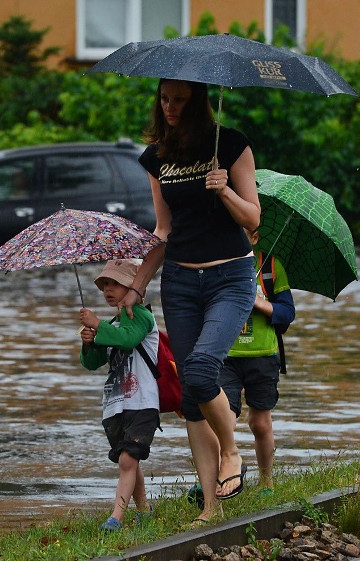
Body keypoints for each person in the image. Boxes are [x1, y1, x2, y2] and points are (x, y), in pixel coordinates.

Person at [118, 78, 261, 526]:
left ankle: (232, 452)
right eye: (164, 99)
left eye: (179, 100)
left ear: (198, 101)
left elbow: (253, 217)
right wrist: (137, 286)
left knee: (201, 370)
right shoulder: (157, 157)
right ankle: (209, 509)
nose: (170, 106)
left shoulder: (232, 145)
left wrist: (223, 189)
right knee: (191, 401)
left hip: (230, 278)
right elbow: (163, 230)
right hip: (180, 282)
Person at [189, 245, 295, 509]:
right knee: (222, 417)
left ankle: (266, 482)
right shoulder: (216, 261)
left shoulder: (270, 266)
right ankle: (214, 477)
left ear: (255, 235)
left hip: (263, 356)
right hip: (226, 354)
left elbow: (287, 313)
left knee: (260, 423)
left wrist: (259, 302)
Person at [79, 258, 160, 532]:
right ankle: (145, 510)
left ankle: (116, 517)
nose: (108, 290)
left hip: (142, 401)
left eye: (115, 283)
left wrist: (98, 325)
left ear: (135, 287)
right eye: (104, 285)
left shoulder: (142, 317)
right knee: (128, 460)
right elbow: (92, 363)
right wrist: (89, 343)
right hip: (116, 404)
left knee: (128, 457)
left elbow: (127, 339)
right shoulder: (111, 325)